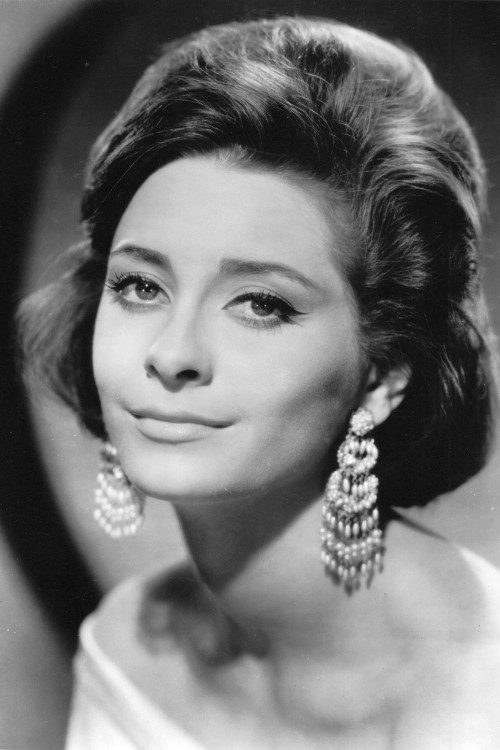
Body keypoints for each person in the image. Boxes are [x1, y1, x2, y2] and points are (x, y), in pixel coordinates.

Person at [18, 15, 500, 749]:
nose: (173, 354)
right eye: (141, 286)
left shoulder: (482, 692)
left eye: (262, 304)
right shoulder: (128, 648)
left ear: (382, 376)